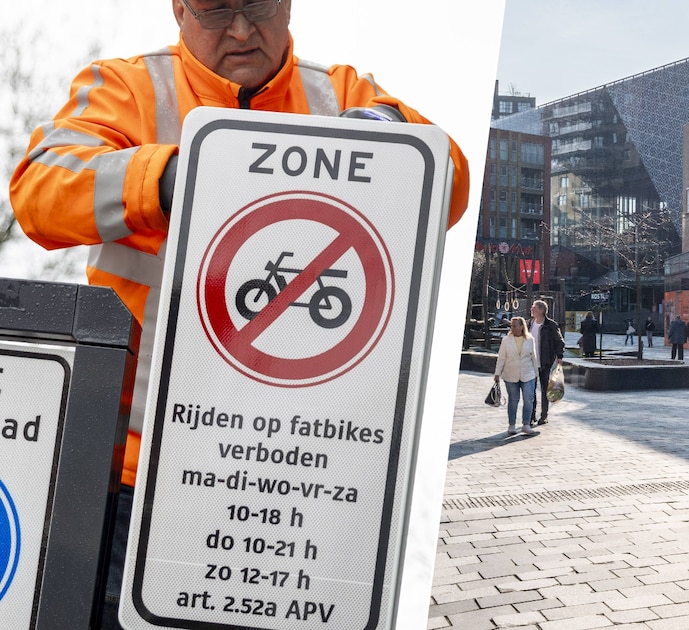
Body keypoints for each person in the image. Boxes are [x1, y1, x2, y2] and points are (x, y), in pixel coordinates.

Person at [8, 4, 471, 629]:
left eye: (259, 6)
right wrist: (170, 177)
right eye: (217, 9)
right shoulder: (127, 88)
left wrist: (388, 124)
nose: (242, 30)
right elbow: (40, 185)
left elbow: (449, 178)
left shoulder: (337, 93)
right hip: (133, 483)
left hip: (286, 483)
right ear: (178, 7)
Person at [494, 317, 540, 437]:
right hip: (511, 374)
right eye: (511, 326)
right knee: (513, 400)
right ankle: (512, 424)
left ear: (521, 327)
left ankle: (526, 424)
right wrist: (497, 373)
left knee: (528, 399)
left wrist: (536, 373)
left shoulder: (530, 340)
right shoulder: (506, 340)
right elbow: (502, 357)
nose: (512, 328)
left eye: (514, 326)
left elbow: (534, 357)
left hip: (528, 373)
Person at [528, 299, 564, 426]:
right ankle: (531, 416)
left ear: (542, 310)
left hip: (544, 362)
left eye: (534, 308)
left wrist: (559, 355)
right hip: (530, 362)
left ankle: (544, 415)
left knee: (544, 389)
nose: (532, 310)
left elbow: (559, 341)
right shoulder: (529, 324)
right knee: (530, 390)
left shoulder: (550, 325)